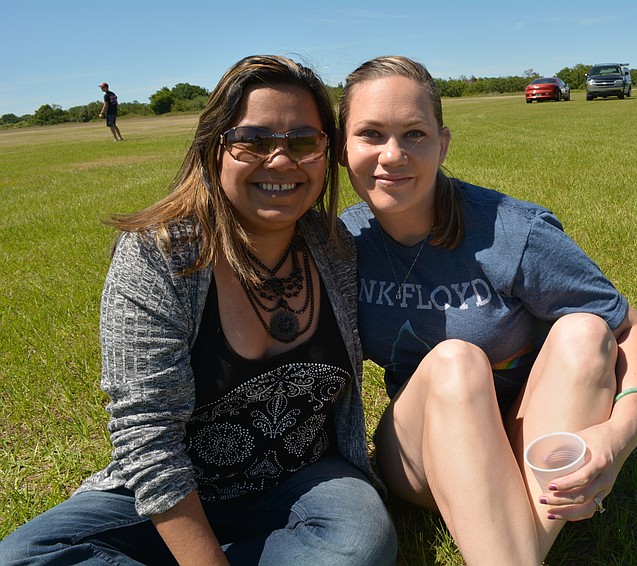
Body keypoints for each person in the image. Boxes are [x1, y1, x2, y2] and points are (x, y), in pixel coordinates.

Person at [0, 55, 396, 566]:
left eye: (302, 142)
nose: (280, 161)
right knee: (25, 557)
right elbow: (147, 437)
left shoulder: (335, 246)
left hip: (306, 479)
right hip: (177, 493)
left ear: (326, 152)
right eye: (253, 141)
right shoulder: (159, 255)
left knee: (359, 544)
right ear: (214, 149)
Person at [338, 55, 637, 566]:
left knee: (586, 331)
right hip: (421, 452)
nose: (393, 155)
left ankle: (505, 542)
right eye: (371, 134)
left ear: (443, 144)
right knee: (456, 360)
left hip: (527, 438)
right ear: (343, 148)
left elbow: (629, 330)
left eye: (415, 134)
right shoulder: (340, 244)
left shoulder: (511, 231)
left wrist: (620, 435)